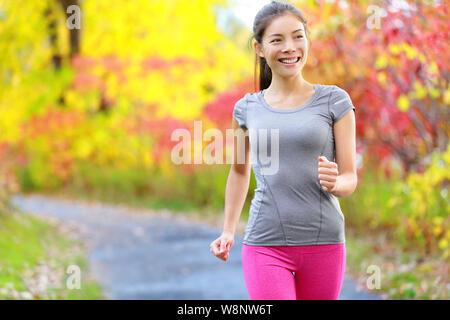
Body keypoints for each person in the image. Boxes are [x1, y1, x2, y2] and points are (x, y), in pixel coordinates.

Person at [209, 1, 357, 300]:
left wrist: (335, 183)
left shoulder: (335, 101)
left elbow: (350, 177)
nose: (290, 47)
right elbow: (239, 172)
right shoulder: (246, 108)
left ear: (307, 39)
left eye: (298, 36)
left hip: (324, 243)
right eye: (277, 40)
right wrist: (228, 230)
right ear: (259, 48)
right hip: (265, 243)